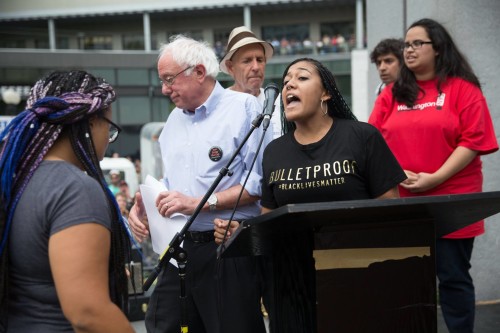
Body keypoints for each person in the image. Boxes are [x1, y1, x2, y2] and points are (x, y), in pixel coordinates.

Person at [215, 57, 407, 331]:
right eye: (285, 82)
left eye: (302, 78)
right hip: (292, 286)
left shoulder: (362, 137)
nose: (289, 84)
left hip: (358, 277)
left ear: (326, 92)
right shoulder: (275, 152)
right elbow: (269, 223)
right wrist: (240, 231)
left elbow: (391, 213)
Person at [127, 35, 271, 333]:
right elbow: (172, 183)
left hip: (226, 248)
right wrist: (143, 207)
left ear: (199, 72)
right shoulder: (173, 122)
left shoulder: (244, 109)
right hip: (179, 249)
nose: (165, 89)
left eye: (169, 79)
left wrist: (199, 203)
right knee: (162, 325)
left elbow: (258, 183)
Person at [368, 18, 498, 333]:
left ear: (437, 48)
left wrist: (436, 177)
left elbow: (474, 140)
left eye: (416, 44)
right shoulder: (393, 93)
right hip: (404, 201)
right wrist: (396, 175)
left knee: (452, 277)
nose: (408, 50)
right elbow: (371, 139)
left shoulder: (463, 89)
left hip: (453, 202)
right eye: (406, 44)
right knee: (408, 279)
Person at [0, 70, 135, 332]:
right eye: (110, 127)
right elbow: (87, 313)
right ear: (92, 122)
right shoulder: (75, 189)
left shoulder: (13, 178)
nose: (109, 138)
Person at [220, 26, 282, 139]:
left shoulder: (281, 102)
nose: (256, 67)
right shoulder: (218, 106)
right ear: (230, 67)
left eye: (260, 60)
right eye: (247, 61)